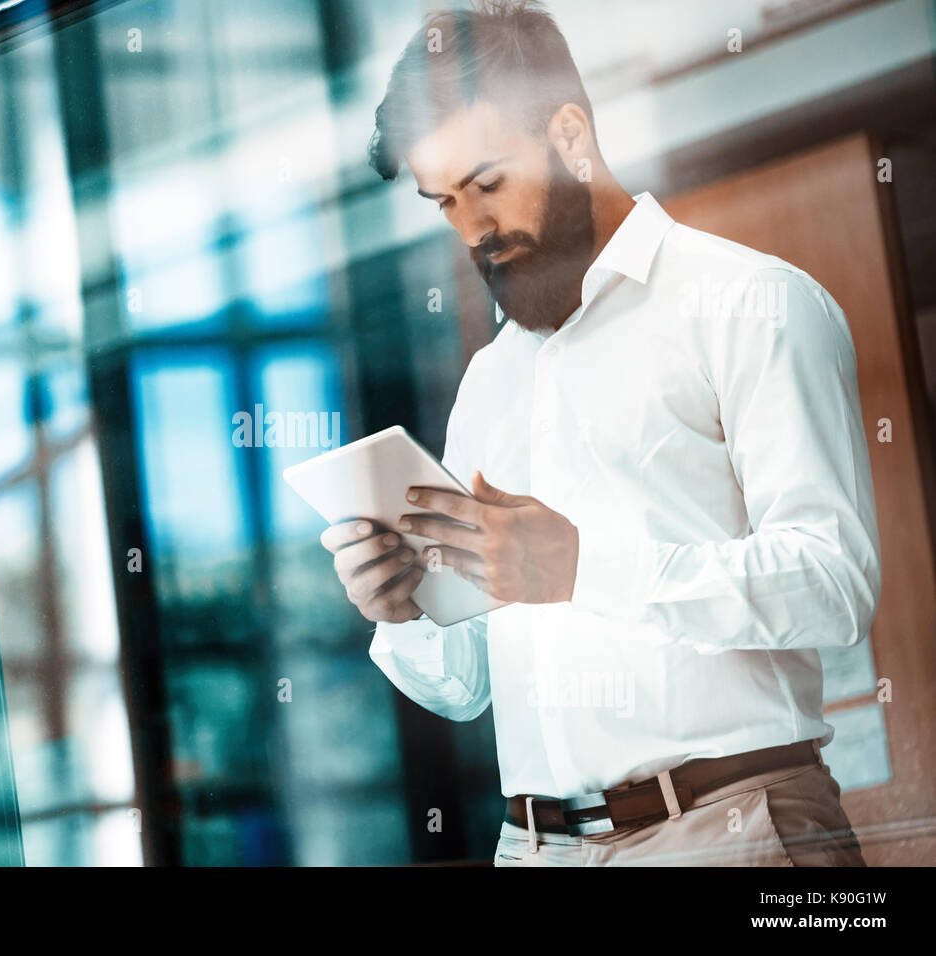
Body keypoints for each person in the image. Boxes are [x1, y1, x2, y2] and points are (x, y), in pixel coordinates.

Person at [319, 0, 881, 866]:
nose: (471, 229)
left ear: (572, 137)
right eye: (444, 204)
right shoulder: (489, 383)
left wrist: (581, 567)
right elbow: (465, 686)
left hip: (731, 827)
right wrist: (405, 616)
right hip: (534, 847)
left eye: (489, 183)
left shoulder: (750, 304)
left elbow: (834, 584)